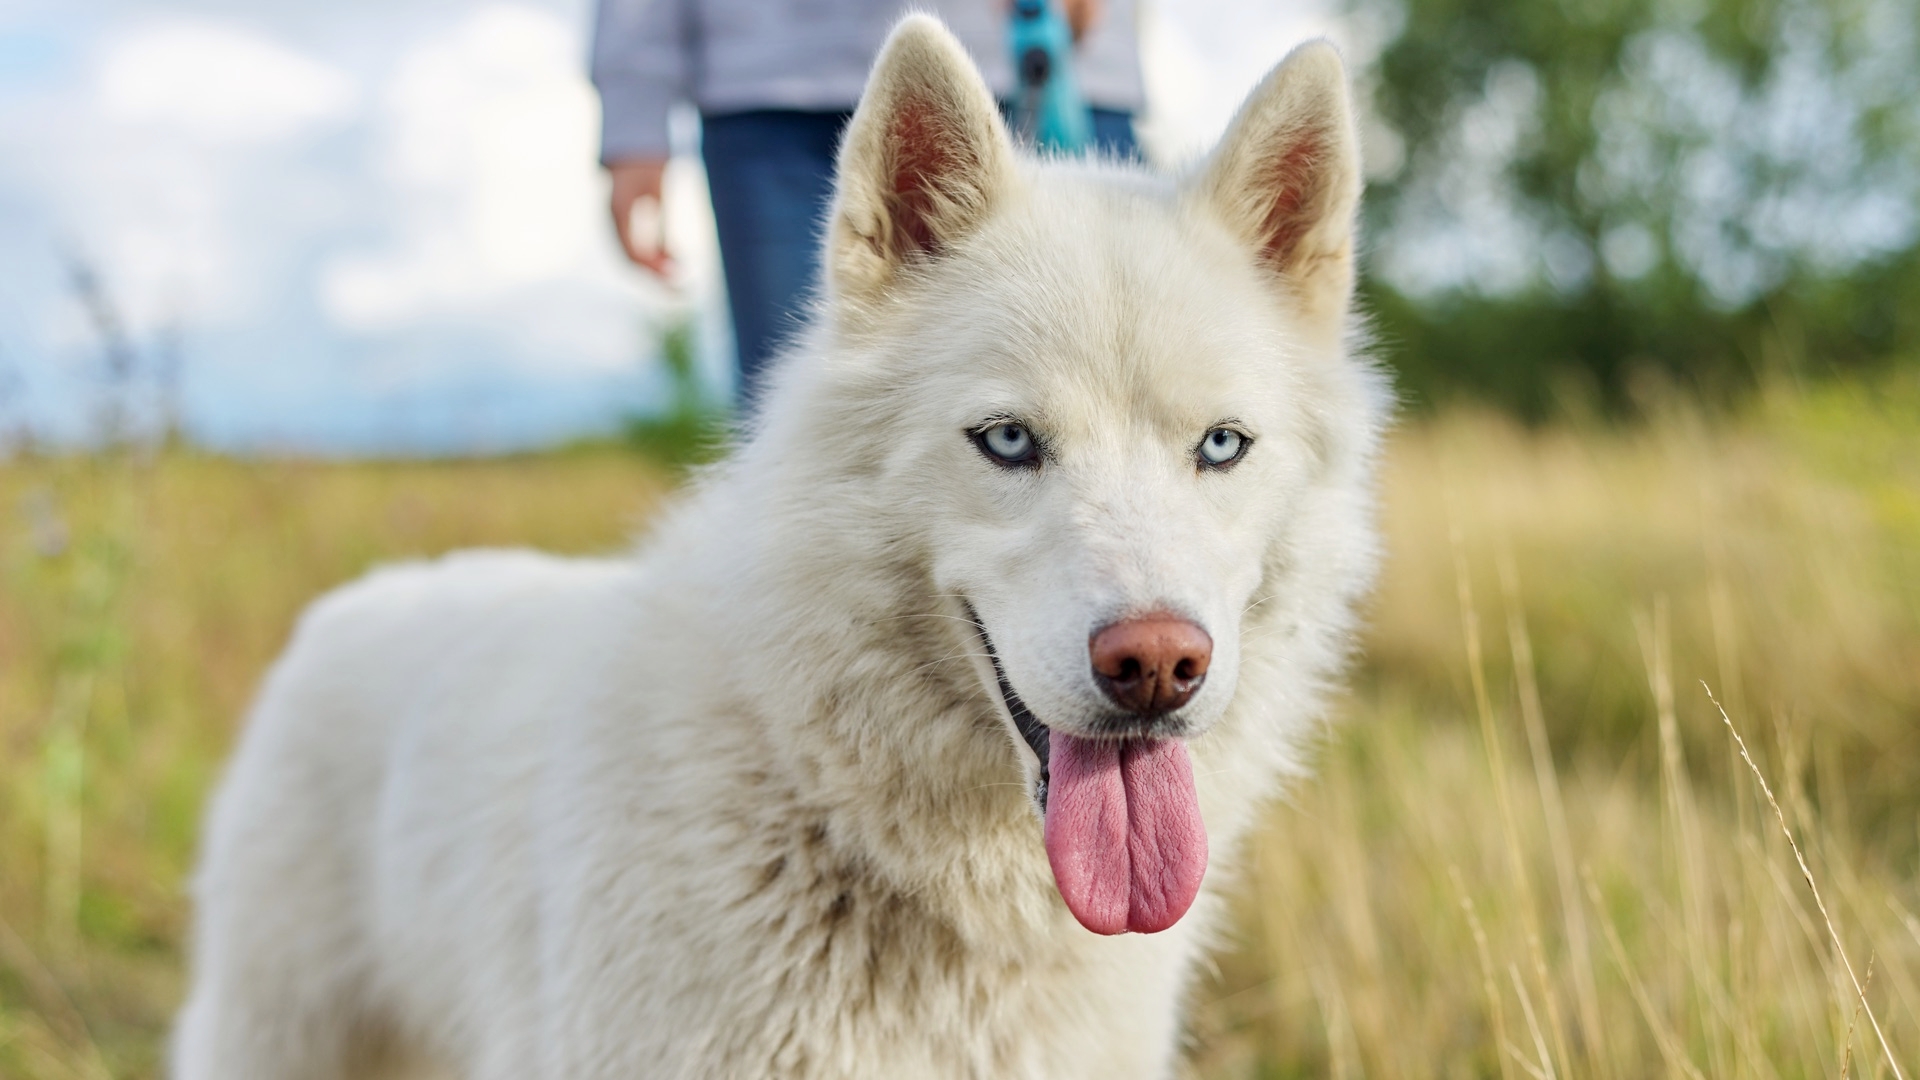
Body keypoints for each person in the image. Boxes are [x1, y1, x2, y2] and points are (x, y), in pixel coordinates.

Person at [591, 0, 1144, 404]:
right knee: (796, 421)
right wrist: (632, 104)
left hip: (1045, 58)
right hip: (764, 83)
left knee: (1129, 403)